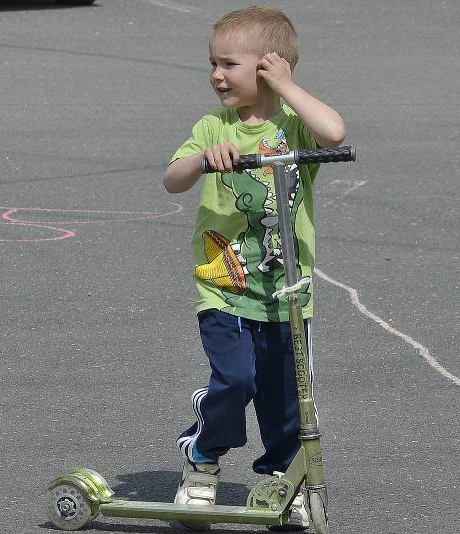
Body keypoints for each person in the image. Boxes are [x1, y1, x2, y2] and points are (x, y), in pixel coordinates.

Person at [162, 6, 346, 531]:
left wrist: (287, 86)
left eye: (229, 64)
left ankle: (277, 477)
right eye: (212, 63)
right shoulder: (211, 126)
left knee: (287, 398)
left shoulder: (294, 127)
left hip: (287, 291)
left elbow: (333, 132)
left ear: (270, 67)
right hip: (224, 286)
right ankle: (202, 457)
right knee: (236, 379)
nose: (216, 75)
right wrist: (202, 158)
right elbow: (172, 180)